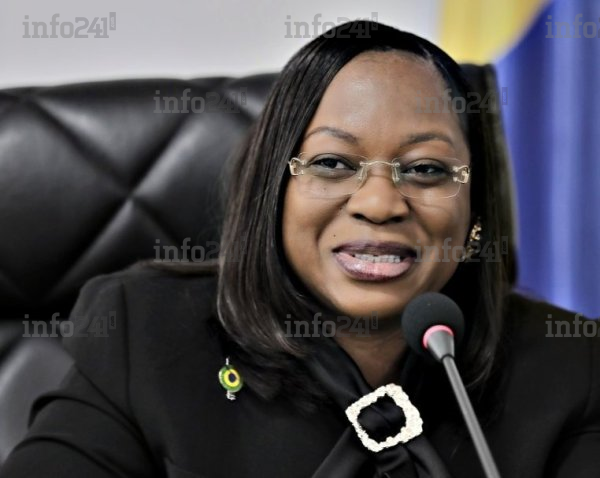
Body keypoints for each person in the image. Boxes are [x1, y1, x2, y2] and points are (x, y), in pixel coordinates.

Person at [1, 20, 598, 478]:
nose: (380, 203)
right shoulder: (146, 335)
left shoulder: (572, 368)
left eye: (425, 169)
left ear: (476, 217)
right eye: (334, 163)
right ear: (274, 195)